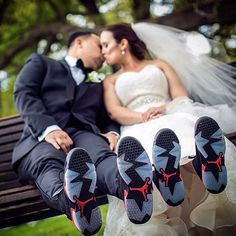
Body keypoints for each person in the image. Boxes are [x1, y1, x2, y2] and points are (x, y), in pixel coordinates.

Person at [12, 31, 155, 235]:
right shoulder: (42, 63)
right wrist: (48, 129)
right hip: (40, 138)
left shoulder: (99, 82)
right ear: (79, 43)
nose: (104, 53)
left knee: (101, 156)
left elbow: (107, 118)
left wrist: (113, 133)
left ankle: (132, 188)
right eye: (99, 46)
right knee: (47, 163)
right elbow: (24, 92)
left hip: (83, 135)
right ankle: (74, 203)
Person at [100, 23, 236, 236]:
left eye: (106, 44)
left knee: (181, 132)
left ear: (123, 43)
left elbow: (180, 95)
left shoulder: (160, 64)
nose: (103, 51)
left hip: (169, 113)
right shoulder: (110, 80)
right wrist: (142, 116)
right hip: (136, 124)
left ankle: (202, 168)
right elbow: (115, 111)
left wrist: (162, 108)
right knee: (143, 149)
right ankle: (184, 172)